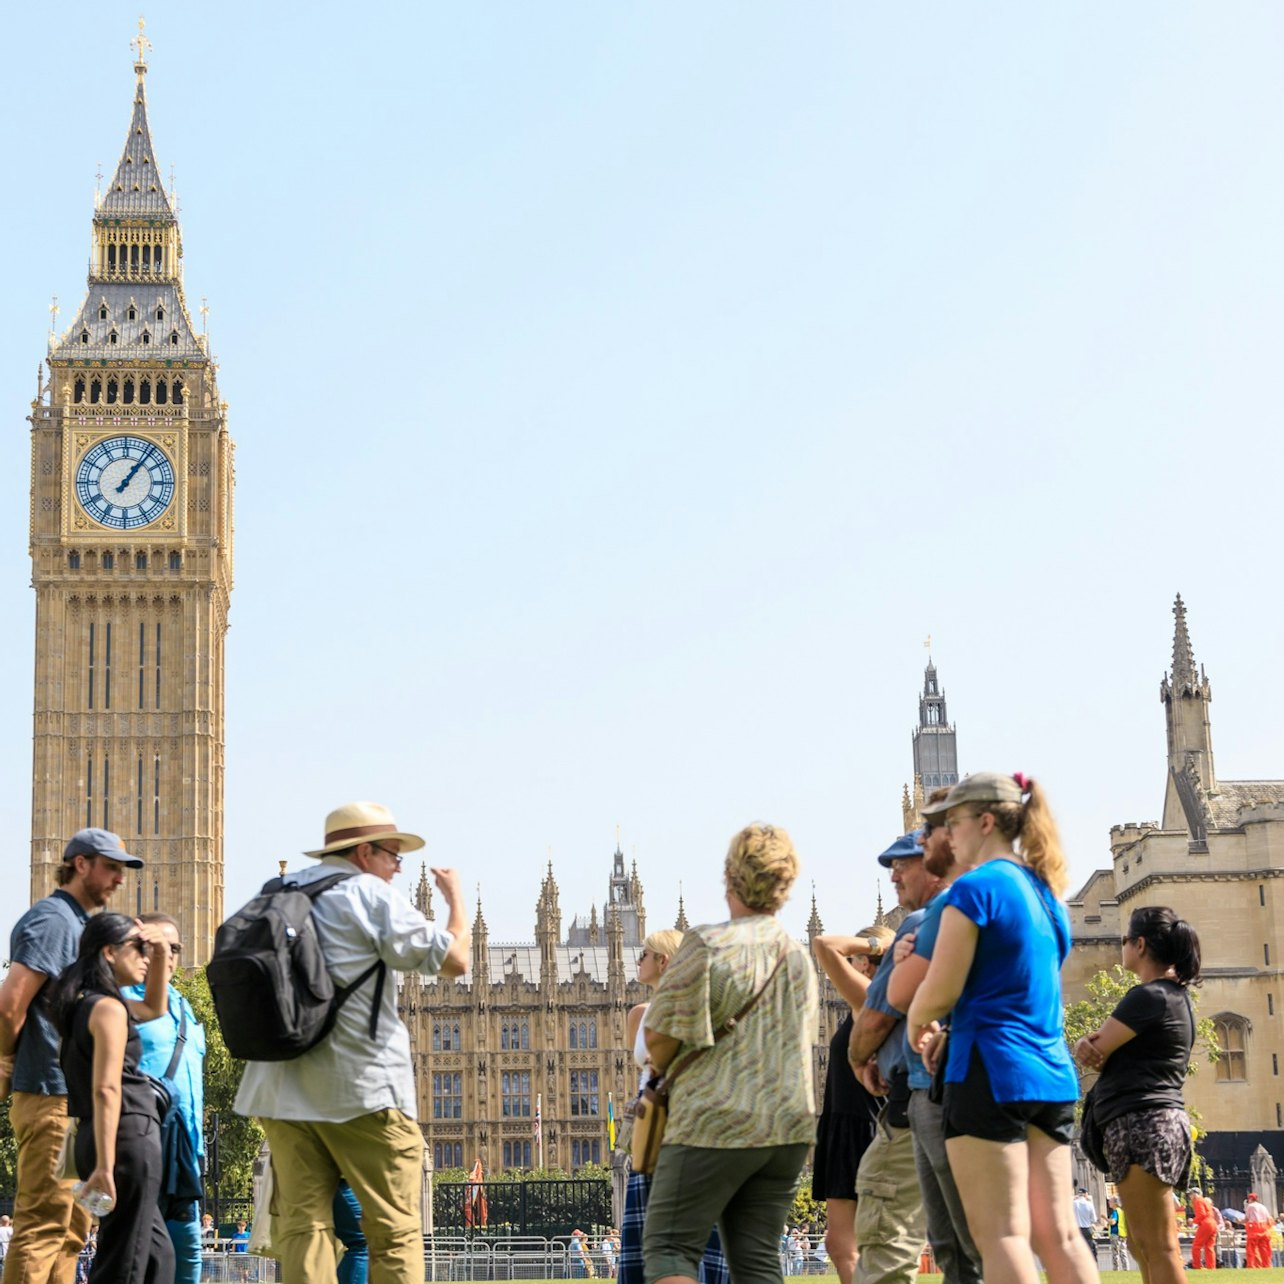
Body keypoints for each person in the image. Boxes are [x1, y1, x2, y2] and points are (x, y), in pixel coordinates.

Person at [234, 801, 469, 1283]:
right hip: (358, 1089)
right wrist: (455, 900)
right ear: (364, 852)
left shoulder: (276, 891)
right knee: (395, 1230)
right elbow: (456, 960)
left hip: (276, 1091)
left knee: (303, 1229)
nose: (397, 869)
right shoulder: (367, 893)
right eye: (393, 856)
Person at [908, 772, 1096, 1284]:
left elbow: (939, 990)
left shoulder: (976, 888)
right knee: (1058, 1235)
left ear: (985, 821)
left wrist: (918, 1023)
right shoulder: (1048, 895)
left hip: (990, 1072)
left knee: (1003, 1237)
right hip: (1051, 1076)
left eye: (954, 823)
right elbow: (1016, 986)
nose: (948, 835)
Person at [643, 822, 819, 1284]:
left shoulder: (708, 943)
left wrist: (664, 1068)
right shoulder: (797, 956)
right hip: (786, 1131)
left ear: (730, 877)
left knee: (669, 1250)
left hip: (715, 1123)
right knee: (758, 1260)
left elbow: (659, 1036)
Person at [0, 828, 141, 1284]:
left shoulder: (80, 924)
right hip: (49, 1094)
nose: (119, 879)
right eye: (111, 868)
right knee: (43, 1225)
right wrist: (5, 1065)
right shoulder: (55, 920)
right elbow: (9, 1006)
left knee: (72, 1232)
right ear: (80, 864)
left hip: (72, 1099)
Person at [1073, 905, 1202, 1284]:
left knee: (1157, 1244)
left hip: (1144, 1122)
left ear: (1140, 944)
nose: (1123, 945)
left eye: (1126, 939)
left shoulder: (1150, 996)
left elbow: (1097, 1050)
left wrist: (1086, 1041)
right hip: (1145, 1123)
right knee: (1140, 1243)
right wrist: (1089, 1044)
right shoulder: (1169, 996)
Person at [885, 793, 983, 1284]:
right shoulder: (943, 912)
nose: (894, 877)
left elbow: (900, 1000)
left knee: (977, 1237)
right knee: (948, 1240)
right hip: (935, 1084)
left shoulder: (952, 908)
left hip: (956, 1082)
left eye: (904, 863)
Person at [48, 911, 173, 1283]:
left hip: (103, 1137)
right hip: (124, 1136)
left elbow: (155, 1007)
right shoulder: (107, 1009)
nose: (145, 957)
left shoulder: (88, 1005)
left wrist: (162, 953)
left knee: (157, 1254)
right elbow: (106, 1089)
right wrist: (105, 1165)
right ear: (108, 952)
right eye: (138, 948)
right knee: (126, 1262)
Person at [847, 831, 941, 1284]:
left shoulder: (925, 923)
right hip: (979, 1095)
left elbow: (879, 1011)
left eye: (903, 865)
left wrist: (858, 1058)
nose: (894, 877)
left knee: (886, 1238)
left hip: (920, 1092)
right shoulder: (1006, 909)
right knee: (967, 1246)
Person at [618, 930, 728, 1284]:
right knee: (648, 1238)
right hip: (648, 1130)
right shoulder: (638, 1015)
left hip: (686, 1130)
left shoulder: (697, 1009)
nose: (638, 961)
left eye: (644, 955)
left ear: (663, 961)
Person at [121, 913, 206, 1284]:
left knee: (188, 1262)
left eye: (174, 948)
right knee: (143, 1260)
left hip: (185, 1152)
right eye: (157, 946)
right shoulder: (121, 1002)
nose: (167, 955)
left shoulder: (186, 1008)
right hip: (141, 1146)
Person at [810, 923, 894, 1284]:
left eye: (859, 958)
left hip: (862, 1125)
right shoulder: (877, 997)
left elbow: (824, 945)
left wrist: (875, 943)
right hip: (851, 1123)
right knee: (843, 1244)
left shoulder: (872, 995)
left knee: (854, 1244)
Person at [1187, 1188, 1217, 1270]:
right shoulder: (1205, 1201)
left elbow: (1201, 1214)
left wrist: (1193, 1221)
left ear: (1195, 1194)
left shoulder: (1198, 1201)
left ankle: (1197, 1266)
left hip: (1205, 1223)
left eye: (1191, 1194)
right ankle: (1211, 1267)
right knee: (1209, 1247)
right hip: (1212, 1223)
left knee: (1196, 1246)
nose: (1190, 1196)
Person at [1243, 1196, 1271, 1270]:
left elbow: (1247, 1218)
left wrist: (1239, 1221)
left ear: (1251, 1199)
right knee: (1264, 1248)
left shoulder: (1250, 1206)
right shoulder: (1263, 1206)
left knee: (1251, 1248)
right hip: (1264, 1227)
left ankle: (1252, 1265)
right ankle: (1266, 1265)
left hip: (1254, 1227)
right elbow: (1269, 1219)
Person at [1073, 1189, 1098, 1258]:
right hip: (1087, 1229)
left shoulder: (1074, 1203)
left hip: (1077, 1229)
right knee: (1089, 1250)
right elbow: (1094, 1219)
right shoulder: (1089, 1204)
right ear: (1086, 1194)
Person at [1108, 1196, 1131, 1270]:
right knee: (1123, 1252)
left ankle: (1116, 1269)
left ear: (1115, 1203)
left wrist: (1105, 1218)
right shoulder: (1122, 1211)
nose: (1109, 1202)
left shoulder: (1115, 1212)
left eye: (1110, 1201)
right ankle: (1126, 1269)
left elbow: (1113, 1222)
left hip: (1116, 1234)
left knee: (1115, 1254)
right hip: (1123, 1234)